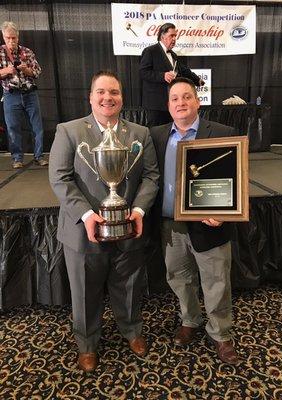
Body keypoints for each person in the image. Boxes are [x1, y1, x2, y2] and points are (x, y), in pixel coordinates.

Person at [49, 71, 159, 372]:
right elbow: (59, 178)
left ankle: (132, 330)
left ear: (122, 97)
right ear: (90, 96)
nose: (107, 97)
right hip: (83, 232)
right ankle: (87, 344)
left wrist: (138, 211)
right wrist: (87, 214)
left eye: (114, 92)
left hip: (129, 226)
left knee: (131, 285)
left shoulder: (140, 134)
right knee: (84, 292)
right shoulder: (69, 131)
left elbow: (151, 177)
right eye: (101, 92)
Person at [150, 77, 239, 365]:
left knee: (216, 281)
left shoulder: (222, 133)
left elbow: (233, 181)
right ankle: (190, 319)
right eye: (175, 98)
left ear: (197, 101)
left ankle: (221, 334)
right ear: (168, 105)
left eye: (186, 97)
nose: (180, 103)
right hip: (169, 226)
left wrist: (223, 213)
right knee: (178, 278)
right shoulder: (156, 135)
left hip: (209, 224)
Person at [0, 21, 48, 169]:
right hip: (11, 95)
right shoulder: (0, 53)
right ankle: (17, 158)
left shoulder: (27, 52)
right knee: (13, 128)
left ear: (18, 37)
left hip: (30, 94)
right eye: (8, 38)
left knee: (37, 127)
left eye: (13, 38)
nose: (11, 41)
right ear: (3, 36)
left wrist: (26, 70)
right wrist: (6, 71)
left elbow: (38, 71)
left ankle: (39, 156)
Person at [140, 23, 204, 128]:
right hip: (155, 103)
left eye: (175, 36)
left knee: (169, 131)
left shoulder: (173, 55)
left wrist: (197, 80)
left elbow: (184, 70)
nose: (174, 39)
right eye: (171, 36)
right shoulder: (150, 51)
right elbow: (143, 72)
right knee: (156, 132)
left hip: (171, 103)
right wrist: (162, 75)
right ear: (162, 36)